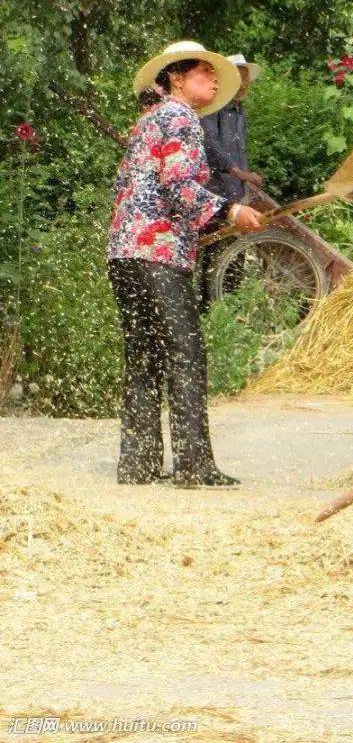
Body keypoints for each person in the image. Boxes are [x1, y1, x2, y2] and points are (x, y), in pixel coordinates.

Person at [107, 41, 263, 487]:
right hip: (156, 253)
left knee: (144, 357)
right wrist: (232, 211)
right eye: (204, 73)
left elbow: (148, 191)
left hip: (125, 251)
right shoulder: (179, 117)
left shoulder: (149, 120)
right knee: (185, 354)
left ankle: (138, 465)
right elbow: (179, 187)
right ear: (177, 77)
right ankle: (194, 466)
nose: (215, 80)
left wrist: (212, 219)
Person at [198, 54, 264, 309]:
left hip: (235, 192)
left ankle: (229, 308)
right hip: (214, 191)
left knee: (234, 251)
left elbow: (239, 149)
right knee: (212, 250)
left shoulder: (238, 110)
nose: (244, 85)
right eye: (240, 79)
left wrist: (244, 177)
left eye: (247, 80)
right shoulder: (213, 108)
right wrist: (237, 171)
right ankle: (208, 307)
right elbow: (209, 145)